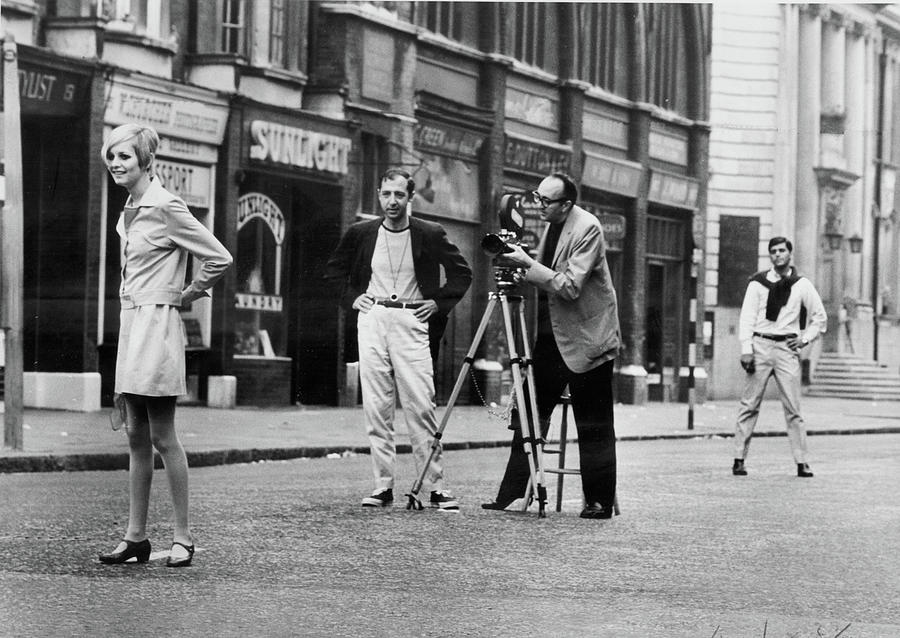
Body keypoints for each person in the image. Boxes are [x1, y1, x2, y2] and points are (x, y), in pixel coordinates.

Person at [97, 124, 232, 566]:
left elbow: (219, 255)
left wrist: (190, 292)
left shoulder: (167, 206)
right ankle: (136, 537)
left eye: (125, 158)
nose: (116, 164)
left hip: (157, 326)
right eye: (112, 156)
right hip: (133, 323)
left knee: (162, 435)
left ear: (145, 162)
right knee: (135, 434)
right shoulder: (131, 209)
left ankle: (183, 536)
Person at [324, 168, 472, 509]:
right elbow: (334, 270)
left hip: (411, 319)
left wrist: (438, 302)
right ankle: (382, 485)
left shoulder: (430, 233)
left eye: (399, 195)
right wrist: (352, 299)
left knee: (421, 404)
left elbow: (462, 272)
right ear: (379, 194)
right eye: (387, 194)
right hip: (373, 318)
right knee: (377, 405)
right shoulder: (361, 233)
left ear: (411, 197)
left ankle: (434, 485)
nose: (393, 202)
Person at [482, 172, 620, 519]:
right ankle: (511, 493)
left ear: (567, 204)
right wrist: (522, 266)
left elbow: (570, 286)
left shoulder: (587, 228)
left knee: (594, 423)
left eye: (545, 201)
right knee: (528, 414)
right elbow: (546, 275)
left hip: (589, 340)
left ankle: (598, 501)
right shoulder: (551, 223)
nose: (537, 205)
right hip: (553, 337)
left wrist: (527, 264)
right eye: (537, 197)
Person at [732, 236, 826, 478]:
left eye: (782, 250)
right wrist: (746, 348)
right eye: (773, 251)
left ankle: (802, 462)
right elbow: (747, 317)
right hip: (760, 344)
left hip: (786, 348)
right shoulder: (757, 283)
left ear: (789, 254)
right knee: (749, 404)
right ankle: (739, 458)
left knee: (793, 408)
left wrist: (804, 339)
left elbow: (819, 317)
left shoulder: (801, 285)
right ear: (770, 255)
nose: (777, 255)